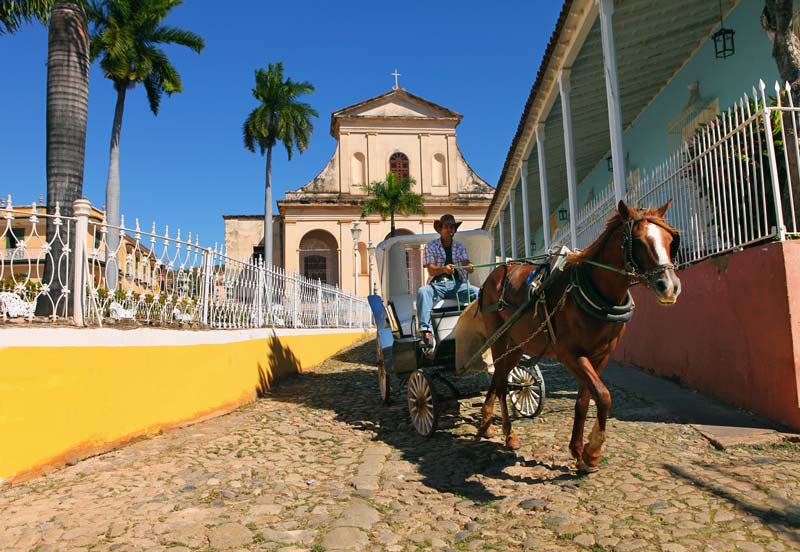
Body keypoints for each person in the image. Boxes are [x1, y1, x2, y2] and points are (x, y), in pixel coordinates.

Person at [417, 214, 479, 347]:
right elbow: (431, 270)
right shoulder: (430, 246)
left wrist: (469, 267)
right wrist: (444, 269)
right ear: (440, 229)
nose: (449, 230)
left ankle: (483, 325)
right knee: (423, 291)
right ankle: (426, 332)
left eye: (452, 227)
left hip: (457, 285)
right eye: (446, 227)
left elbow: (465, 262)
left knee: (479, 293)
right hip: (437, 285)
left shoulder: (460, 246)